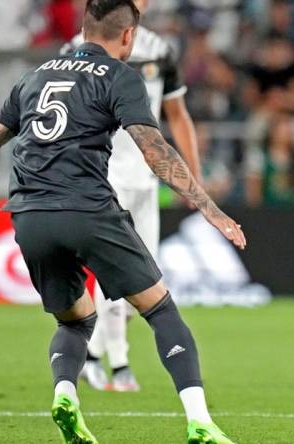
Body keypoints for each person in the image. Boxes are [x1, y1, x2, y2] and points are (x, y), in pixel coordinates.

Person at [0, 1, 243, 443]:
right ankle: (200, 422)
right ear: (128, 37)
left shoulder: (34, 76)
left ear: (83, 28)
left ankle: (66, 394)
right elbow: (155, 151)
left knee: (75, 320)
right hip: (88, 209)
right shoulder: (122, 76)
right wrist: (210, 208)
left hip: (28, 215)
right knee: (161, 309)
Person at [61, 0, 202, 394]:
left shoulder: (159, 50)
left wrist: (193, 175)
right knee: (116, 272)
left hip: (146, 180)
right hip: (103, 175)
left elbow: (177, 114)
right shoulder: (77, 49)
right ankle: (119, 363)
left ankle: (92, 357)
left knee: (143, 274)